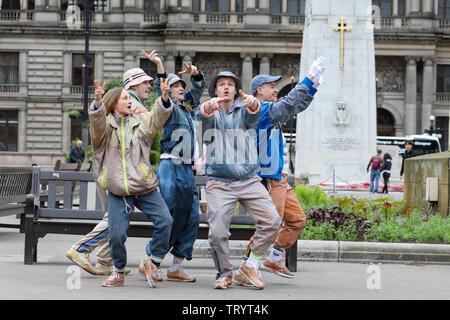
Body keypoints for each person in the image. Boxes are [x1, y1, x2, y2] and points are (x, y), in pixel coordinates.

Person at [233, 57, 325, 285]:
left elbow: (296, 105)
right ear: (259, 91)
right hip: (268, 178)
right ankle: (246, 266)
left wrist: (313, 87)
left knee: (297, 221)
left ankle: (274, 259)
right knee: (269, 223)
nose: (276, 89)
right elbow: (287, 104)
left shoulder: (273, 110)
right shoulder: (259, 111)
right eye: (272, 86)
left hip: (280, 178)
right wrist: (308, 78)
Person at [195, 71, 282, 290]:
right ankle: (225, 272)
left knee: (272, 221)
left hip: (249, 179)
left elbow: (253, 117)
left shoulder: (244, 110)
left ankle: (249, 266)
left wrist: (254, 105)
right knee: (217, 233)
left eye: (230, 84)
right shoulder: (210, 111)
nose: (226, 87)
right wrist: (207, 107)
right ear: (215, 90)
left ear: (236, 90)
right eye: (221, 84)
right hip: (219, 182)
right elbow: (200, 118)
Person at [65, 67, 153, 276]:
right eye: (145, 82)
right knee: (115, 217)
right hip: (115, 173)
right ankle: (80, 249)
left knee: (112, 216)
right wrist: (98, 103)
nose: (149, 86)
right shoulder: (130, 101)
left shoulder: (131, 102)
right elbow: (99, 123)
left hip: (116, 172)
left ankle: (105, 260)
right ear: (133, 85)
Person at [89, 77, 174, 288]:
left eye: (130, 97)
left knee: (166, 221)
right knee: (116, 234)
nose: (130, 101)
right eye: (125, 98)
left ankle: (152, 261)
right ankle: (118, 271)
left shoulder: (140, 124)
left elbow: (156, 118)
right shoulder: (105, 128)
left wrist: (164, 98)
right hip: (118, 189)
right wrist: (98, 103)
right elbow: (97, 125)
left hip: (144, 186)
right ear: (114, 103)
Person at [135, 50, 206, 282]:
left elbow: (196, 91)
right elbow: (162, 97)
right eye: (176, 86)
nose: (180, 88)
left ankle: (176, 266)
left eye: (181, 86)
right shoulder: (170, 109)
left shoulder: (186, 107)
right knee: (170, 215)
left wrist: (196, 76)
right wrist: (159, 66)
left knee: (192, 218)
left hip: (187, 169)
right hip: (170, 167)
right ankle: (152, 260)